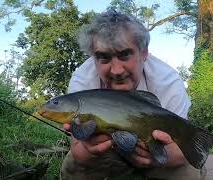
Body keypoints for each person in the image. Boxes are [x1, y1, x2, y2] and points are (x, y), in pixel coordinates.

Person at [60, 9, 205, 180]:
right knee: (73, 167)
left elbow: (182, 153)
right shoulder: (81, 82)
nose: (116, 70)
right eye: (104, 58)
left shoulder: (168, 82)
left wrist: (163, 158)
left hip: (155, 152)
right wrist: (87, 151)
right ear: (93, 59)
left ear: (144, 53)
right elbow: (78, 152)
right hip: (106, 153)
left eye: (125, 55)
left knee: (189, 173)